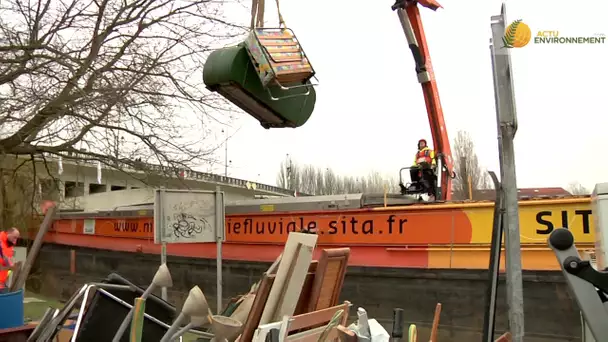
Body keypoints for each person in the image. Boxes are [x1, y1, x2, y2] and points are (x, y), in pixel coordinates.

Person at [0, 227, 20, 292]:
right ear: (8, 233)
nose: (15, 241)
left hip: (2, 283)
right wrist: (11, 265)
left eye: (17, 238)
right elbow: (3, 256)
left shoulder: (9, 245)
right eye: (14, 237)